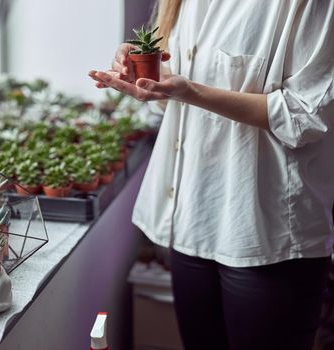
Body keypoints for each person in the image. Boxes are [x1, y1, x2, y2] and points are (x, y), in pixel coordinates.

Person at [89, 0, 334, 349]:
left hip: (266, 235)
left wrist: (189, 91)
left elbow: (304, 117)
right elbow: (166, 96)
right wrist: (143, 73)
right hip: (193, 219)